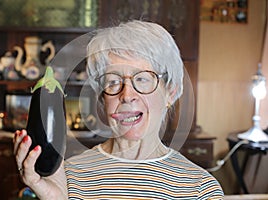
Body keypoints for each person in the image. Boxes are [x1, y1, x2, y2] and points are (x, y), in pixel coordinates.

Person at [13, 20, 224, 199]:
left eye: (142, 79)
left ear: (170, 92)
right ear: (102, 99)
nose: (127, 95)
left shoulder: (200, 189)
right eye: (113, 82)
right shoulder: (67, 177)